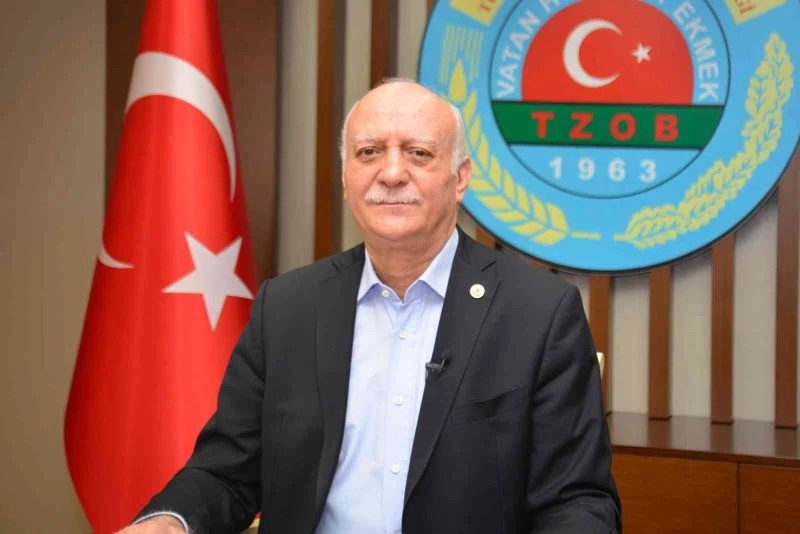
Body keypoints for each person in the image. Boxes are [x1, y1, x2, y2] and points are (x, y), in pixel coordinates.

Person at [122, 79, 620, 533]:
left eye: (419, 153)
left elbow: (576, 501)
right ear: (346, 177)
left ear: (460, 178)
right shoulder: (287, 308)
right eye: (369, 152)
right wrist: (168, 523)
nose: (393, 172)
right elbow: (226, 472)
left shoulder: (538, 313)